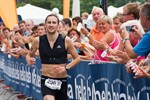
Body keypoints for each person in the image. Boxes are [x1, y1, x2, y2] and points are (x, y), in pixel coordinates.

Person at [26, 14, 80, 100]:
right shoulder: (38, 40)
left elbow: (77, 58)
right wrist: (28, 59)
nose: (51, 25)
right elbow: (29, 54)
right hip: (46, 79)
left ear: (58, 25)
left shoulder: (66, 40)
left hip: (61, 80)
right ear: (45, 25)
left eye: (54, 22)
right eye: (49, 22)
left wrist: (66, 68)